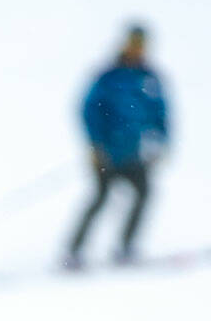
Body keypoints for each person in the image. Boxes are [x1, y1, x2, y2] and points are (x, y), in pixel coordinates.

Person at [64, 23, 169, 269]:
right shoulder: (108, 76)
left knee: (143, 195)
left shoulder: (149, 78)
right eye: (133, 43)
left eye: (140, 45)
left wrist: (159, 142)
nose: (136, 49)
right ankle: (73, 252)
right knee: (99, 199)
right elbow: (88, 110)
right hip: (107, 154)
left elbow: (161, 114)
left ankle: (126, 247)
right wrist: (95, 145)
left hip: (135, 154)